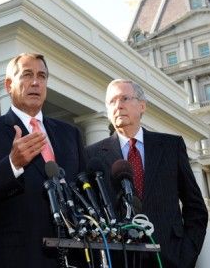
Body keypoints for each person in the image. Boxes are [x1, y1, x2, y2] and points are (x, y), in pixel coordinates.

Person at [0, 53, 86, 267]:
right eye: (27, 75)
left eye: (42, 76)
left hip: (71, 257)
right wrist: (12, 164)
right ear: (9, 84)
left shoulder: (70, 134)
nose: (36, 82)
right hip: (19, 258)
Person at [86, 79, 208, 267]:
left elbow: (195, 207)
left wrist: (186, 255)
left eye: (124, 98)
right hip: (120, 259)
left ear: (142, 106)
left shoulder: (170, 147)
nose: (118, 106)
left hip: (170, 258)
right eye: (112, 101)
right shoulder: (92, 155)